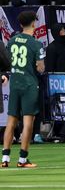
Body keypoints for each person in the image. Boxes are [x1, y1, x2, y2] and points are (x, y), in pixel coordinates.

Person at [2, 11, 45, 168]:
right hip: (29, 85)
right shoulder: (36, 44)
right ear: (34, 23)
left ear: (20, 24)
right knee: (28, 122)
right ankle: (22, 159)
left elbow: (8, 61)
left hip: (15, 83)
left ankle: (5, 158)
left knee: (11, 121)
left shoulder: (12, 40)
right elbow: (40, 68)